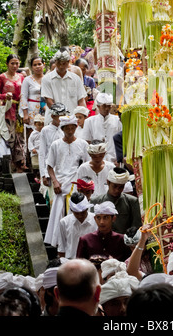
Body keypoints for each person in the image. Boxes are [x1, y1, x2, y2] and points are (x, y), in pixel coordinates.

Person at [44, 115, 90, 247]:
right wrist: (55, 182)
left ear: (76, 127)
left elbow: (87, 165)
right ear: (62, 129)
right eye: (67, 128)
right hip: (61, 185)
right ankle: (62, 246)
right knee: (60, 216)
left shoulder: (83, 144)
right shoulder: (56, 145)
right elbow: (50, 166)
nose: (70, 131)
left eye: (72, 128)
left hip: (77, 185)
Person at [41, 49, 87, 125]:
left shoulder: (76, 79)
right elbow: (49, 101)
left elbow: (81, 100)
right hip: (53, 121)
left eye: (64, 63)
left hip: (72, 121)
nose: (61, 66)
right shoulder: (47, 79)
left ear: (68, 62)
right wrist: (60, 117)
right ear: (55, 61)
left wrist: (83, 115)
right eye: (59, 63)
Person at [91, 167, 142, 234]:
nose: (117, 190)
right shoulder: (95, 201)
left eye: (121, 187)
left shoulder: (132, 201)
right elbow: (92, 227)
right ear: (108, 182)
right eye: (114, 186)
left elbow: (136, 227)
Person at [0, 54, 26, 172]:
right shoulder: (1, 77)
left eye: (17, 63)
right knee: (9, 135)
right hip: (6, 110)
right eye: (12, 63)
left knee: (20, 136)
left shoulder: (21, 77)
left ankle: (19, 163)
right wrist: (4, 96)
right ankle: (8, 163)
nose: (14, 66)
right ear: (7, 64)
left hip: (19, 109)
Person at [38, 103, 67, 204]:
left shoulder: (67, 129)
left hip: (65, 169)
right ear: (53, 116)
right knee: (52, 200)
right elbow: (42, 153)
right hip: (50, 170)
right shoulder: (45, 131)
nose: (62, 118)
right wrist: (43, 174)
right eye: (60, 116)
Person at [82, 92, 122, 163]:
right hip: (95, 161)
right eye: (104, 106)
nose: (106, 108)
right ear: (98, 106)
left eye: (109, 106)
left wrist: (119, 159)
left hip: (114, 160)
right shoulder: (89, 121)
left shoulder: (117, 120)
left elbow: (121, 141)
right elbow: (87, 143)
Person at [57, 192, 97, 259]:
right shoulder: (64, 222)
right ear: (71, 210)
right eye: (76, 213)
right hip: (71, 261)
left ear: (87, 208)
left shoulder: (96, 220)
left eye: (82, 212)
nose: (80, 216)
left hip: (92, 261)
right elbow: (61, 247)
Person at [20, 55, 45, 131]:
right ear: (31, 67)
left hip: (45, 109)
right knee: (31, 134)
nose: (37, 66)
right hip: (31, 110)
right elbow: (23, 96)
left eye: (39, 64)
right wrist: (25, 114)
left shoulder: (48, 79)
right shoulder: (27, 80)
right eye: (35, 65)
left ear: (43, 65)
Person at [0, 94, 12, 161]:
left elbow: (8, 106)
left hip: (2, 134)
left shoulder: (1, 109)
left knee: (4, 151)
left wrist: (9, 100)